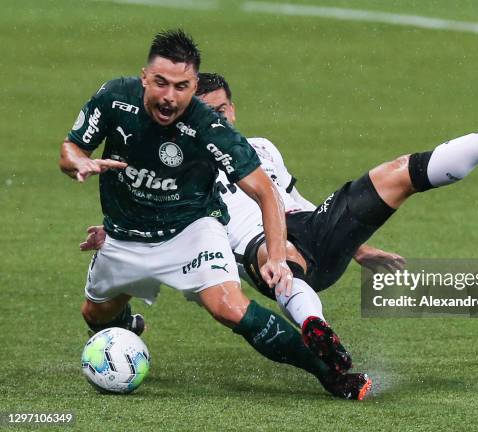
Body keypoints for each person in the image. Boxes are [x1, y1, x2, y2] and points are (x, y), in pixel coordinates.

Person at [82, 62, 478, 380]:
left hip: (313, 227)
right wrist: (118, 234)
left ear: (232, 109)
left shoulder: (259, 148)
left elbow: (291, 198)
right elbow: (158, 213)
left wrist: (357, 248)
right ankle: (315, 328)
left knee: (400, 172)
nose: (216, 120)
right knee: (275, 256)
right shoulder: (182, 158)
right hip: (259, 249)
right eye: (206, 113)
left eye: (222, 111)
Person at [62, 29, 371, 400]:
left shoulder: (210, 127)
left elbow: (264, 191)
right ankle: (125, 324)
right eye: (160, 83)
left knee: (229, 308)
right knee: (94, 316)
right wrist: (78, 162)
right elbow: (70, 148)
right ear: (144, 77)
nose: (168, 97)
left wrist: (276, 256)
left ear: (193, 85)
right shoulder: (114, 99)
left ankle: (331, 373)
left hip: (192, 232)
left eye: (181, 86)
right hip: (126, 235)